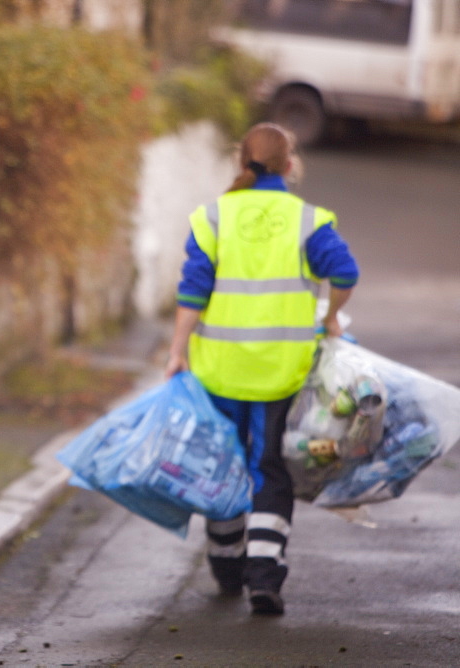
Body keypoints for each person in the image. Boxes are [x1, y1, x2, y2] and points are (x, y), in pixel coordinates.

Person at [164, 123, 359, 615]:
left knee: (225, 460)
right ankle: (264, 574)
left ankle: (226, 561)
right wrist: (332, 316)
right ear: (290, 165)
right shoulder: (307, 220)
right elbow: (345, 273)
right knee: (269, 466)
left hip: (221, 369)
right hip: (280, 371)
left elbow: (192, 291)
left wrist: (176, 351)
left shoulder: (213, 215)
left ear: (240, 163)